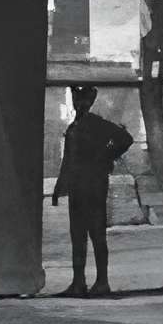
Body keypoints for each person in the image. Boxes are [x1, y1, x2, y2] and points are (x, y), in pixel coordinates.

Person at [50, 83, 135, 298]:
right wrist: (60, 186)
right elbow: (68, 159)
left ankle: (102, 282)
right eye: (76, 100)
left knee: (97, 234)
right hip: (77, 186)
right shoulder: (73, 126)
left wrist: (105, 155)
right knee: (77, 235)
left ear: (91, 102)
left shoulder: (97, 124)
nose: (80, 104)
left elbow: (125, 139)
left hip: (95, 185)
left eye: (84, 100)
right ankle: (78, 282)